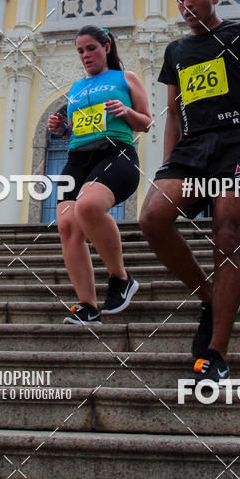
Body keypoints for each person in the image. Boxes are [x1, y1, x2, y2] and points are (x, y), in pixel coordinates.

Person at [139, 0, 240, 383]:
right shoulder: (176, 51)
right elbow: (172, 113)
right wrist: (166, 163)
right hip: (191, 151)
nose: (187, 5)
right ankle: (212, 296)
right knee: (151, 219)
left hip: (236, 144)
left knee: (227, 235)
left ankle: (216, 351)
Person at [48, 25, 151, 325]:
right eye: (80, 50)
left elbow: (145, 122)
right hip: (78, 160)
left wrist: (126, 111)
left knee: (88, 206)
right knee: (67, 225)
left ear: (107, 47)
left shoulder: (125, 78)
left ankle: (121, 278)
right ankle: (87, 306)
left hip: (116, 153)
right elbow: (75, 132)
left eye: (91, 48)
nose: (85, 55)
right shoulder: (76, 88)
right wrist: (62, 129)